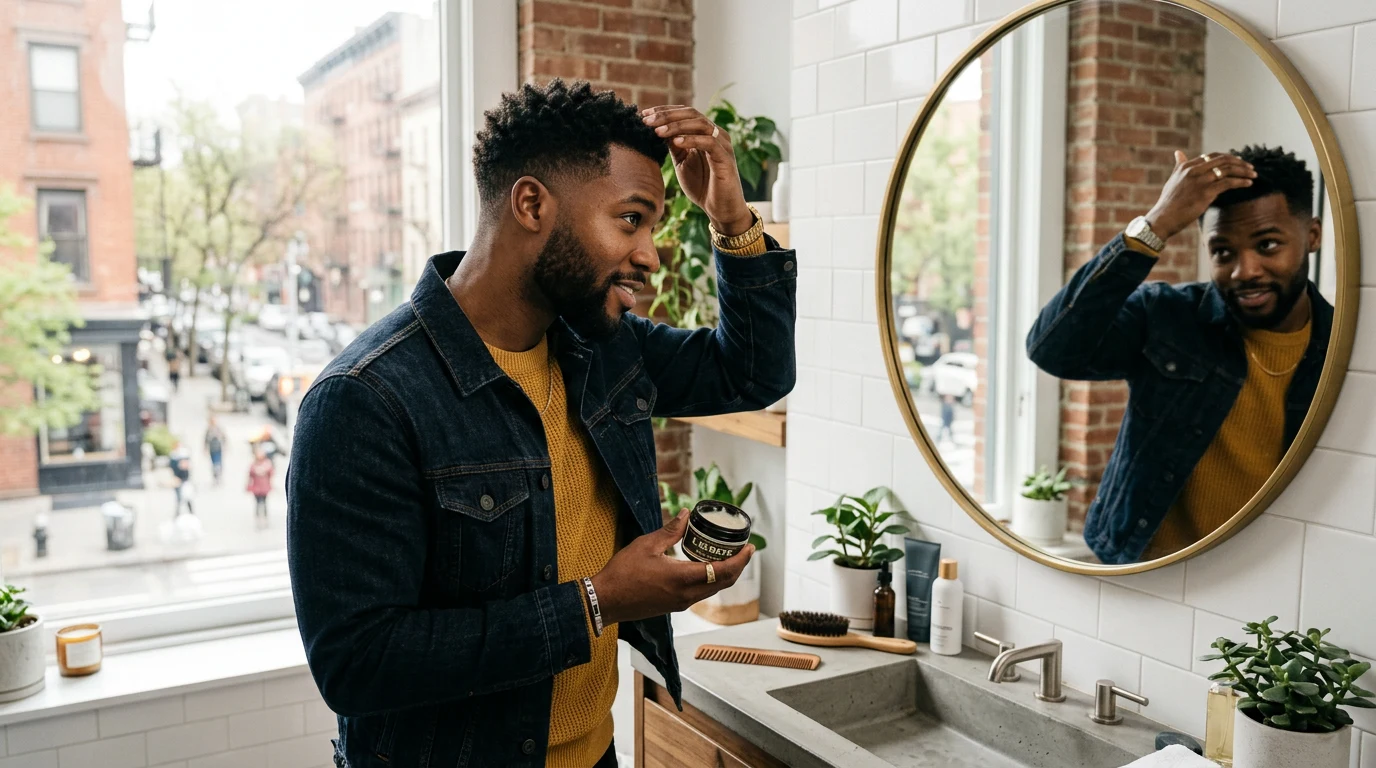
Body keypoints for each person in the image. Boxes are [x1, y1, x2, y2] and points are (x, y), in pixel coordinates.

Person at [287, 80, 796, 768]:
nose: (650, 254)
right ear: (531, 204)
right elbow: (358, 665)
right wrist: (598, 601)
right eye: (630, 220)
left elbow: (754, 374)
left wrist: (732, 221)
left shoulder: (607, 352)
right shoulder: (364, 399)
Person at [1026, 146, 1331, 564]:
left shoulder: (1345, 350)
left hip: (1262, 582)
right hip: (1139, 572)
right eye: (1223, 252)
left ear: (1312, 235)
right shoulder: (1168, 315)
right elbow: (1052, 349)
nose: (1246, 270)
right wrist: (1156, 226)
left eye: (1268, 245)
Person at [247, 446, 273, 527]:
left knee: (264, 503)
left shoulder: (267, 463)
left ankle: (265, 518)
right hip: (257, 488)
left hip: (264, 487)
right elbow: (250, 474)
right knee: (258, 503)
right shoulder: (254, 464)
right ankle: (258, 519)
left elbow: (270, 473)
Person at [168, 440, 193, 515]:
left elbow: (187, 467)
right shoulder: (173, 456)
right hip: (177, 479)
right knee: (179, 497)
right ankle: (178, 513)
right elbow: (172, 467)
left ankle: (191, 512)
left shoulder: (184, 455)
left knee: (187, 496)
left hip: (184, 479)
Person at [204, 417, 225, 485]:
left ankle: (218, 476)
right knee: (214, 463)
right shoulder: (208, 430)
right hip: (212, 448)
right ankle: (215, 477)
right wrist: (205, 448)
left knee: (218, 463)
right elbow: (206, 440)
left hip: (218, 448)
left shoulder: (218, 429)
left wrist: (225, 446)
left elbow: (223, 437)